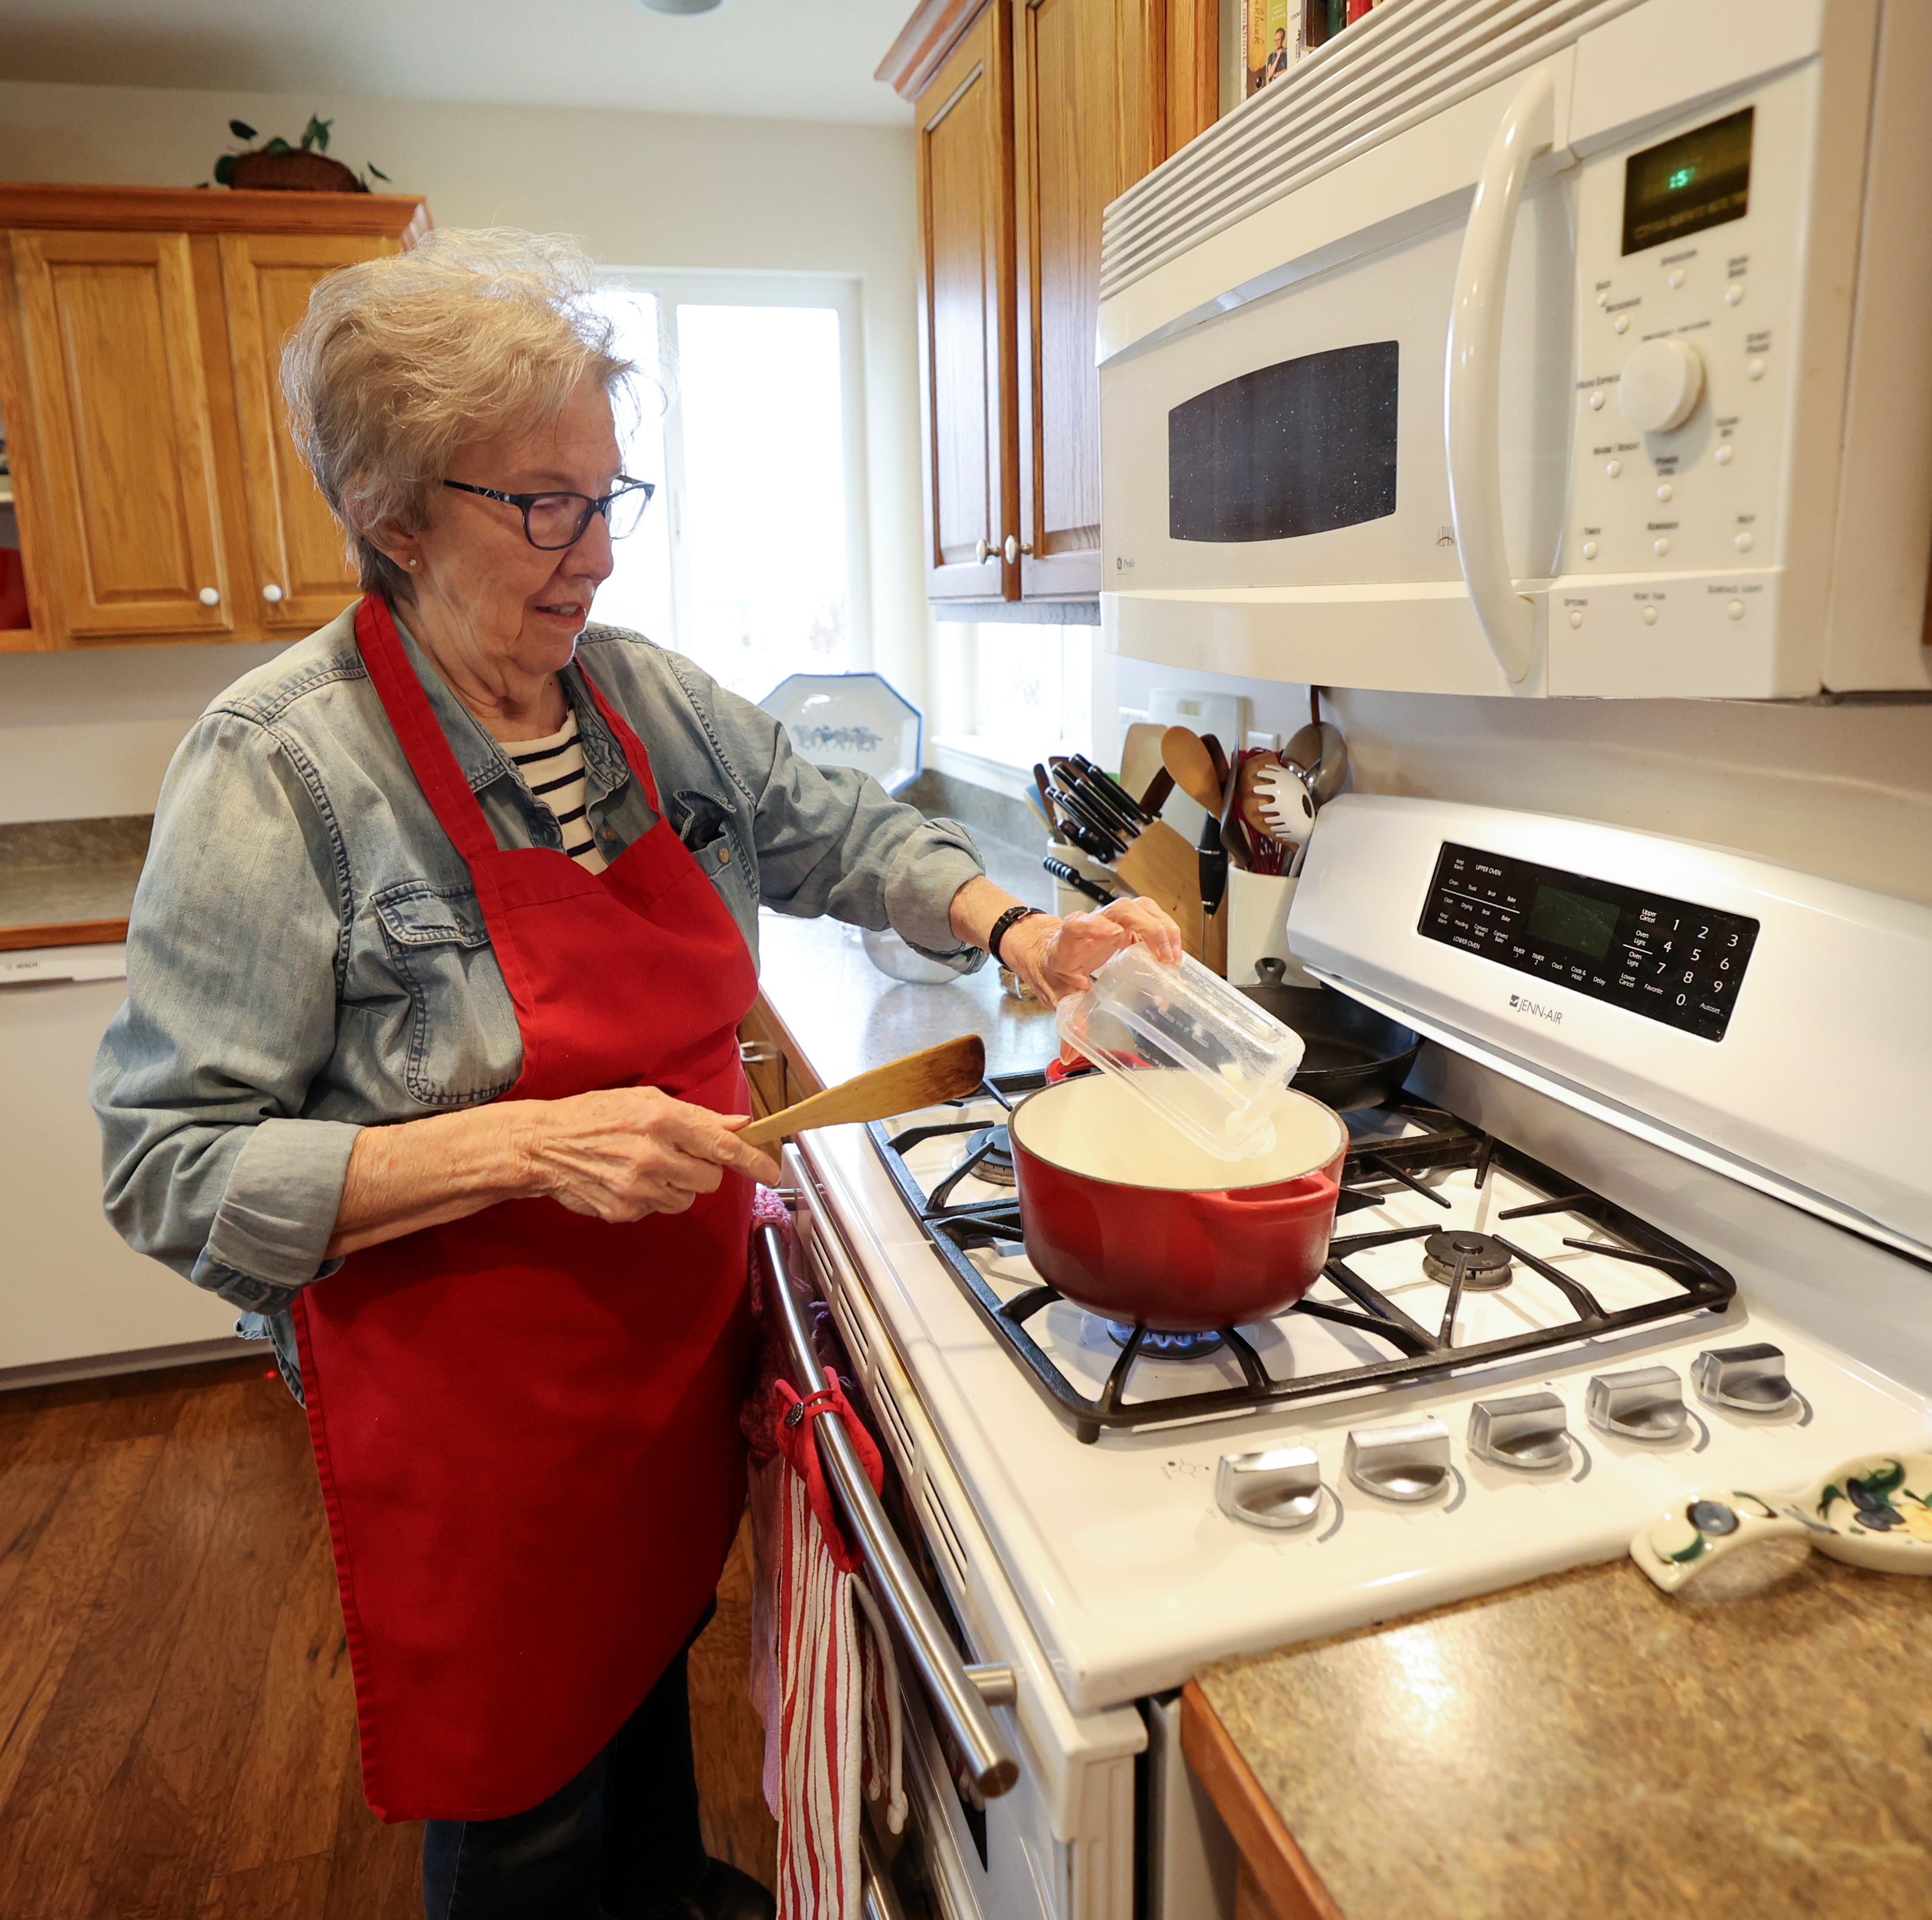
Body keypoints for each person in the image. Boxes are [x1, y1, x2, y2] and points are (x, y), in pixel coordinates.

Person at [91, 228, 1178, 1920]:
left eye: (610, 497)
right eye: (542, 506)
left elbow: (833, 828)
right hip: (471, 1410)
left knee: (648, 1660)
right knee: (524, 1787)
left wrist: (1021, 930)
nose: (593, 553)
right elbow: (168, 1168)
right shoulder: (279, 769)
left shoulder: (633, 701)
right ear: (393, 513)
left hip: (665, 1348)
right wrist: (522, 1149)